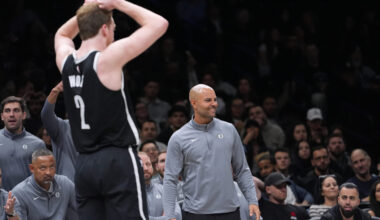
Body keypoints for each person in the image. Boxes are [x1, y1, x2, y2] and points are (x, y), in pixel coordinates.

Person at [54, 0, 168, 219]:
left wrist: (89, 8)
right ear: (105, 29)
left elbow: (61, 35)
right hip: (116, 158)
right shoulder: (106, 59)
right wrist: (117, 3)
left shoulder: (66, 62)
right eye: (114, 29)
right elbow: (159, 24)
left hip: (84, 163)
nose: (114, 34)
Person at [163, 84, 260, 220]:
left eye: (215, 100)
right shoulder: (179, 137)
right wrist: (169, 215)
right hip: (195, 213)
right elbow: (170, 179)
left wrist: (252, 200)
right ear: (194, 103)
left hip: (230, 211)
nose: (214, 104)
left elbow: (242, 169)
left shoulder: (229, 129)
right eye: (208, 100)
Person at [11, 149, 77, 220]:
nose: (48, 172)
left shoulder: (65, 184)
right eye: (43, 168)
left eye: (52, 167)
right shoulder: (19, 193)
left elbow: (78, 212)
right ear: (32, 168)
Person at [0, 96, 46, 191]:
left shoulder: (37, 144)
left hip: (28, 202)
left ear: (24, 115)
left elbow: (44, 177)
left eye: (16, 110)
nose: (11, 114)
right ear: (2, 116)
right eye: (7, 111)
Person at [41, 81, 78, 182]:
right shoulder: (63, 127)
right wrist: (55, 91)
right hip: (67, 190)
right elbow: (46, 115)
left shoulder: (97, 128)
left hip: (92, 189)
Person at [138, 152, 182, 220]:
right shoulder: (129, 194)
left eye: (148, 164)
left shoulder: (164, 189)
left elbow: (178, 216)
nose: (145, 168)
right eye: (141, 165)